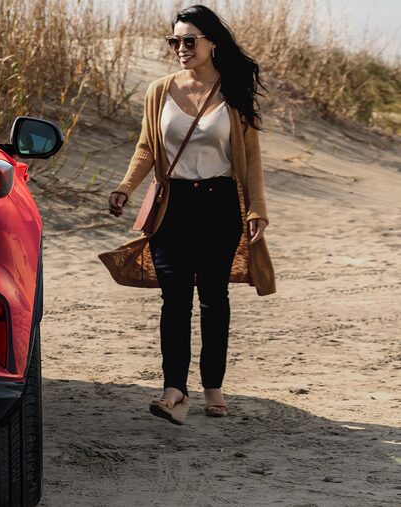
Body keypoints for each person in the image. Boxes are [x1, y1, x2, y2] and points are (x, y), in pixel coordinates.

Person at [102, 4, 276, 425]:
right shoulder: (159, 90)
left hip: (219, 205)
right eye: (174, 40)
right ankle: (174, 389)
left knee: (214, 299)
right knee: (174, 300)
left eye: (189, 40)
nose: (180, 48)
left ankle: (212, 386)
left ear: (212, 43)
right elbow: (147, 147)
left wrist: (256, 209)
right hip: (172, 206)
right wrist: (125, 187)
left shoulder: (233, 92)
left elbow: (250, 160)